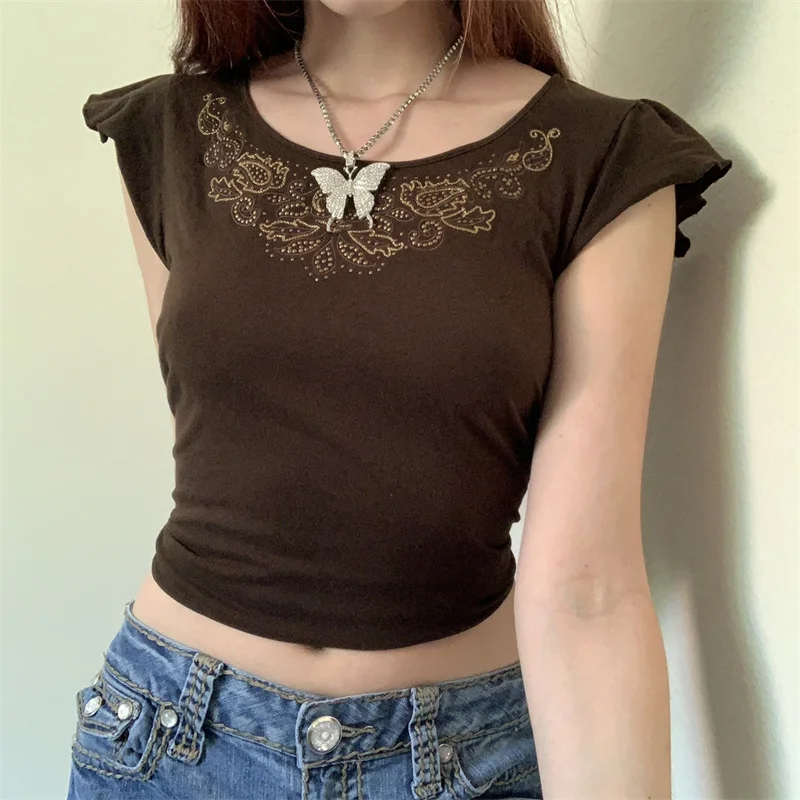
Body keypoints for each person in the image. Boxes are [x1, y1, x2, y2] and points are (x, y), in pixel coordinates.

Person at [70, 0, 732, 797]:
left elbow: (587, 591)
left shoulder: (601, 158)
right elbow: (224, 439)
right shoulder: (174, 129)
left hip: (460, 759)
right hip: (167, 739)